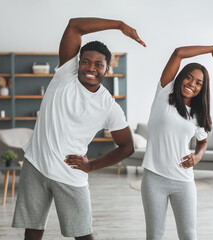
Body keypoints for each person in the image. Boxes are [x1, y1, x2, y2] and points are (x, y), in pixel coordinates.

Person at [12, 17, 146, 240]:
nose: (90, 67)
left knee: (83, 235)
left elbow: (127, 147)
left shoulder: (109, 106)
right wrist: (119, 25)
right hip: (35, 165)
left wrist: (91, 166)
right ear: (78, 62)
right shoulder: (66, 73)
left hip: (70, 174)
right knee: (32, 231)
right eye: (86, 61)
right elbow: (74, 25)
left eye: (98, 64)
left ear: (107, 69)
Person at [141, 45, 213, 240]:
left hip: (184, 181)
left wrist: (197, 156)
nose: (192, 84)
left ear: (202, 89)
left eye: (199, 83)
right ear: (181, 77)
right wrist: (212, 49)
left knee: (189, 235)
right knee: (154, 235)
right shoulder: (164, 93)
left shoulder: (199, 115)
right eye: (189, 77)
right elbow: (178, 53)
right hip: (154, 179)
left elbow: (202, 142)